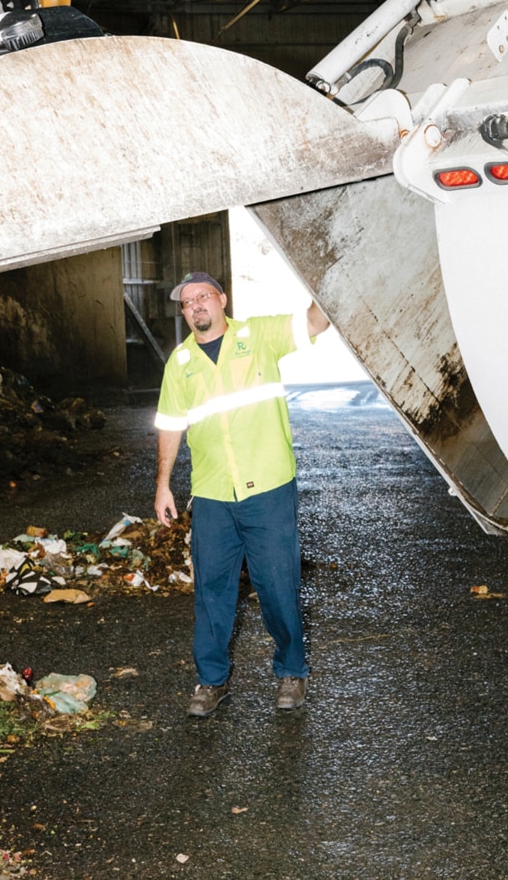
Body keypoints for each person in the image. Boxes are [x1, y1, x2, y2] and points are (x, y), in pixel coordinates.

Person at [153, 270, 330, 717]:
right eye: (187, 301)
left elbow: (317, 321)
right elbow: (171, 425)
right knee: (211, 590)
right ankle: (211, 682)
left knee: (277, 584)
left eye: (203, 297)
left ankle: (291, 672)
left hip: (267, 486)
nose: (196, 306)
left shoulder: (260, 335)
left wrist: (327, 280)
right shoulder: (180, 363)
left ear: (222, 299)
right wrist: (162, 486)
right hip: (212, 492)